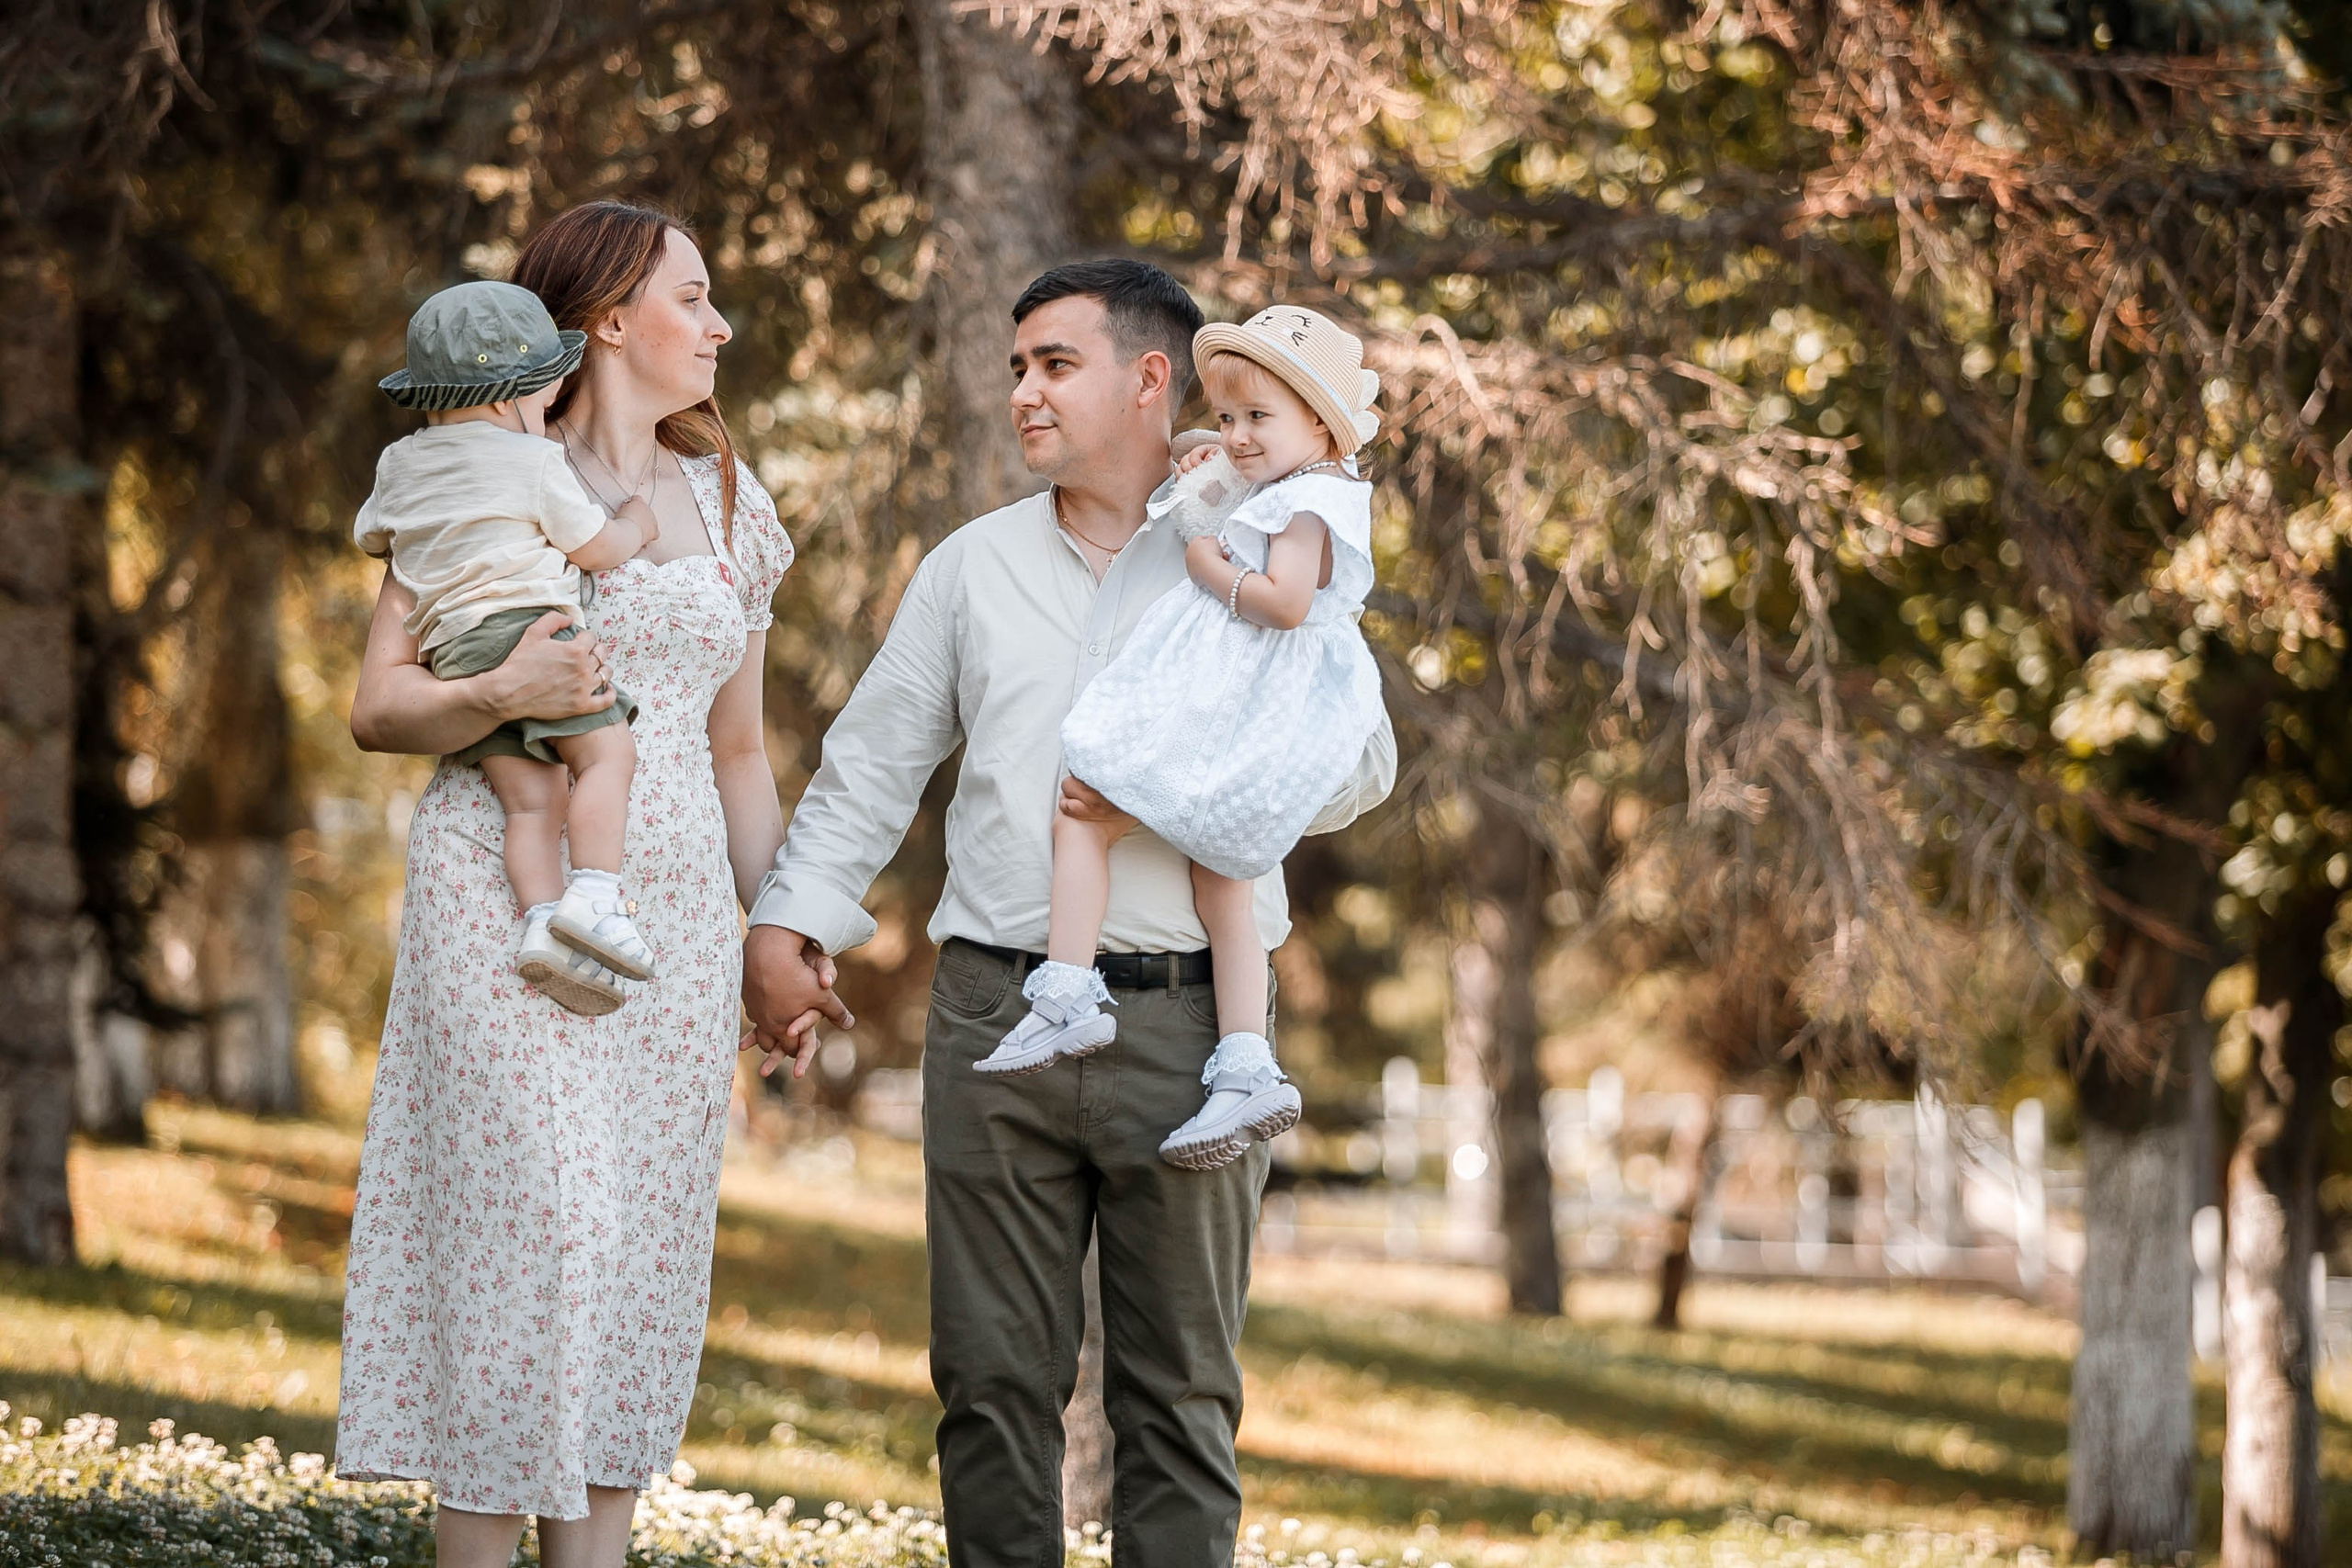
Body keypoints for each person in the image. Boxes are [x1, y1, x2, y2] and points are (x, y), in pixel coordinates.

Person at [740, 260, 1395, 1566]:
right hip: (995, 1015)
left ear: (1150, 379)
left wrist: (1200, 770)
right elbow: (872, 761)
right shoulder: (971, 567)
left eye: (1055, 363)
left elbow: (1357, 771)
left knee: (1182, 1401)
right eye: (1019, 365)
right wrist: (786, 922)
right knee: (987, 1386)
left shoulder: (1263, 542)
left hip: (1200, 1030)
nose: (1024, 391)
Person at [336, 200, 832, 1568]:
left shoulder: (734, 499)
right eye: (697, 294)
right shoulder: (479, 464)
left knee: (631, 1252)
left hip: (668, 916)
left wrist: (774, 934)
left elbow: (740, 748)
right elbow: (380, 706)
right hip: (496, 893)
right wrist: (503, 687)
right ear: (610, 318)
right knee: (522, 1232)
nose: (721, 323)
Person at [984, 305, 1388, 1175]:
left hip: (1245, 704)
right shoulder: (1293, 480)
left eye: (1258, 420)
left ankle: (1065, 988)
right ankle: (1246, 1061)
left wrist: (1207, 555)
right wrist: (1225, 442)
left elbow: (1282, 600)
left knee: (1084, 810)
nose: (1238, 439)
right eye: (1231, 416)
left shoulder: (1309, 506)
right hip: (1247, 706)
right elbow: (1206, 445)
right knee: (1225, 884)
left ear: (1320, 425)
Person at [356, 279, 662, 1013]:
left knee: (532, 803)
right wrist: (638, 525)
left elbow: (373, 534)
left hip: (454, 649)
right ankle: (593, 896)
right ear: (503, 400)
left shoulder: (399, 464)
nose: (545, 411)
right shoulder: (533, 464)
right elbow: (594, 548)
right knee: (607, 757)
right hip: (535, 633)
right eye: (541, 397)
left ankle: (539, 924)